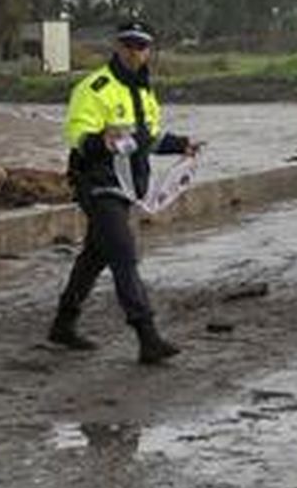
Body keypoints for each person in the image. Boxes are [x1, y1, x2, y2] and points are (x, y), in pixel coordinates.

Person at [49, 20, 198, 359]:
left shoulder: (145, 91)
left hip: (130, 185)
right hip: (98, 182)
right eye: (128, 45)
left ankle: (63, 324)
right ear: (117, 47)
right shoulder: (95, 87)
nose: (134, 52)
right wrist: (103, 141)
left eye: (141, 46)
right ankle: (147, 335)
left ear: (148, 51)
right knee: (123, 254)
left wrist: (182, 145)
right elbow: (77, 137)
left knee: (96, 255)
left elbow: (149, 139)